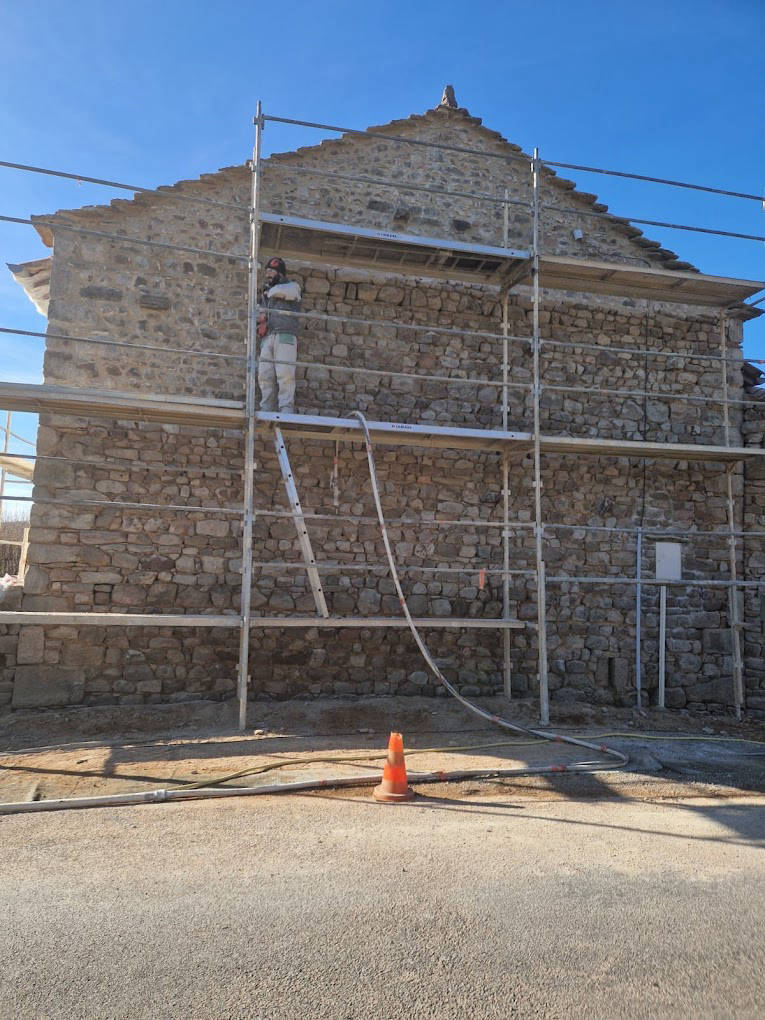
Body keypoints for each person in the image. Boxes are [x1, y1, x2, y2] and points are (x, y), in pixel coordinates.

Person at [257, 256, 302, 414]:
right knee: (264, 375)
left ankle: (286, 410)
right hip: (268, 337)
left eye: (271, 271)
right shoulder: (266, 294)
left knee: (285, 374)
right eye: (267, 271)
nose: (268, 275)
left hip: (285, 336)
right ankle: (266, 408)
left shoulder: (292, 287)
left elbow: (287, 292)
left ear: (280, 274)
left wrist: (270, 293)